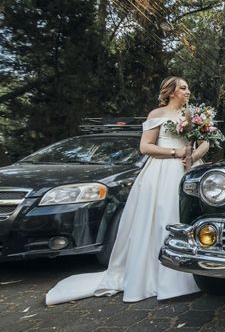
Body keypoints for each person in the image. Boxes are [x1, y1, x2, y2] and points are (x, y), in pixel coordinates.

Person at [46, 77, 209, 305]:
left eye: (188, 87)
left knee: (188, 218)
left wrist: (194, 156)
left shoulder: (192, 115)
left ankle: (195, 274)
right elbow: (146, 147)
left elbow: (205, 142)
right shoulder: (157, 115)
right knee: (163, 216)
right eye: (183, 88)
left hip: (189, 170)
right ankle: (159, 276)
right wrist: (176, 153)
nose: (188, 91)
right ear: (171, 92)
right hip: (162, 172)